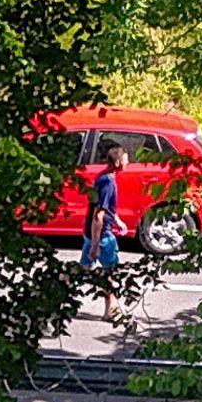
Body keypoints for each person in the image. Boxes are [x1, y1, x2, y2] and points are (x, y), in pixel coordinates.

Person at [82, 139, 128, 330]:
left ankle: (57, 285)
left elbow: (104, 206)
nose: (128, 162)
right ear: (118, 162)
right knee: (111, 272)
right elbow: (99, 214)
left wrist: (117, 220)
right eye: (125, 158)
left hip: (91, 232)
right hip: (102, 235)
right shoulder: (109, 182)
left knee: (83, 268)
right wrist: (96, 245)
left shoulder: (103, 177)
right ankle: (110, 311)